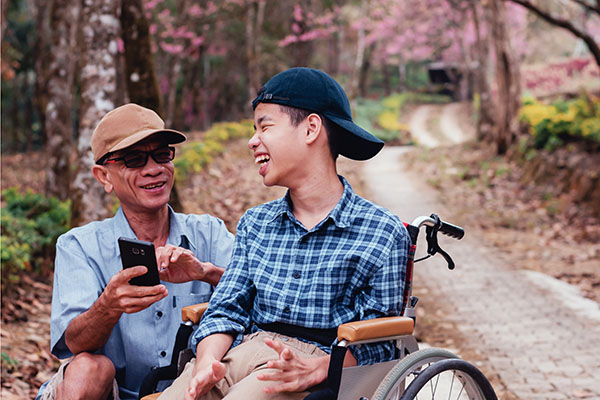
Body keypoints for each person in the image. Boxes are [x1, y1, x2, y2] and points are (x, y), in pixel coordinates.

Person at [159, 67, 411, 400]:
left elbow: (382, 340)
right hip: (244, 350)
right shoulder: (256, 223)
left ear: (310, 129)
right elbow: (226, 308)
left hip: (320, 364)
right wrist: (206, 364)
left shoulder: (381, 231)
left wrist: (322, 367)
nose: (253, 141)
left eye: (265, 126)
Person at [37, 103, 235, 400]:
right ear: (104, 177)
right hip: (112, 393)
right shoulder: (80, 246)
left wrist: (207, 273)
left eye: (162, 154)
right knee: (87, 369)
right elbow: (73, 344)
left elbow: (260, 300)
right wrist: (108, 306)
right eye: (134, 159)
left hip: (190, 390)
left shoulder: (209, 234)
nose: (153, 169)